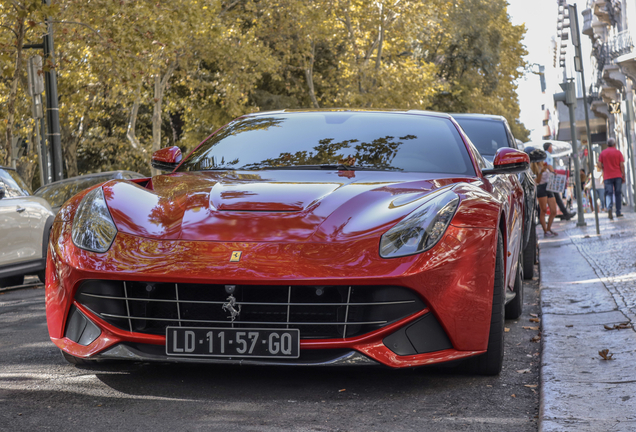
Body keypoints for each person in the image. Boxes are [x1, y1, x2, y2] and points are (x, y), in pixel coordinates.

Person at [543, 142, 575, 220]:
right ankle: (565, 213)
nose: (552, 148)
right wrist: (553, 172)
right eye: (551, 147)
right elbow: (548, 165)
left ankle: (565, 213)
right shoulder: (548, 155)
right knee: (555, 197)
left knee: (553, 197)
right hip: (548, 179)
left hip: (545, 179)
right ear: (549, 147)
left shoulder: (544, 155)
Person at [598, 138, 625, 219]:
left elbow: (599, 165)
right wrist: (623, 175)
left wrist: (604, 167)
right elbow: (622, 165)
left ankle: (609, 209)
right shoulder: (618, 152)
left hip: (607, 176)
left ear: (607, 145)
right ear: (614, 144)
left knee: (608, 193)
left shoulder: (603, 153)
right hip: (617, 175)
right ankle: (618, 212)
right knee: (618, 193)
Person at [531, 160, 558, 237]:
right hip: (541, 188)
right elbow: (538, 181)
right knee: (543, 210)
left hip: (549, 186)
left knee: (553, 211)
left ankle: (548, 228)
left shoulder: (546, 166)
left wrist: (552, 172)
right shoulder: (534, 168)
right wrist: (541, 172)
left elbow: (551, 176)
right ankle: (545, 230)